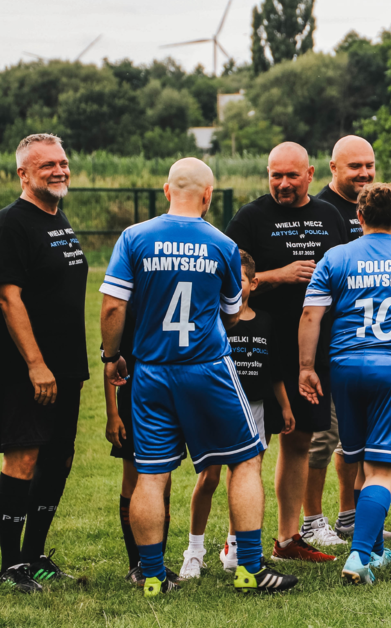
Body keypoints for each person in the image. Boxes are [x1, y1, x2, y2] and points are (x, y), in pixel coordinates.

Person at [99, 157, 297, 595]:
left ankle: (153, 576)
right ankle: (249, 569)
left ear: (167, 190)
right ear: (208, 196)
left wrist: (111, 356)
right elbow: (232, 314)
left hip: (151, 370)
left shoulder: (134, 237)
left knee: (151, 474)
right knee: (245, 460)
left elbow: (112, 306)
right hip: (207, 368)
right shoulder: (223, 245)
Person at [298, 182, 391, 585]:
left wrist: (306, 367)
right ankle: (360, 555)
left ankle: (376, 549)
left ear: (359, 216)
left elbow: (311, 315)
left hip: (346, 366)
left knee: (361, 457)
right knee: (383, 468)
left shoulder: (335, 257)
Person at [225, 142, 347, 562]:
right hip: (257, 349)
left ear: (310, 174)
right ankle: (235, 542)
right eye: (275, 175)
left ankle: (287, 539)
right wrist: (280, 275)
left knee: (300, 440)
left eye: (292, 175)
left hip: (312, 351)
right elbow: (228, 279)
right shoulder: (250, 218)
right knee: (249, 448)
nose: (283, 184)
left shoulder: (329, 215)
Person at [0, 134, 90, 592]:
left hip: (67, 366)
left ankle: (35, 557)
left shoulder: (58, 218)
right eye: (47, 165)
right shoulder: (12, 223)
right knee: (24, 456)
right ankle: (10, 564)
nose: (59, 171)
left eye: (63, 162)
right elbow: (8, 297)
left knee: (59, 459)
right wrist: (36, 364)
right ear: (23, 174)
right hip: (27, 369)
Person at [186, 252, 296, 578]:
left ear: (254, 283)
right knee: (210, 478)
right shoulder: (214, 320)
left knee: (246, 477)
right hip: (216, 407)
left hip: (256, 408)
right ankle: (194, 552)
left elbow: (274, 372)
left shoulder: (266, 321)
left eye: (241, 279)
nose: (234, 285)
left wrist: (285, 407)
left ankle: (234, 547)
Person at [301, 135, 375, 548]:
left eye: (369, 165)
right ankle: (311, 520)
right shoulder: (320, 212)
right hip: (329, 343)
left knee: (354, 437)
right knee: (322, 437)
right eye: (354, 166)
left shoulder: (375, 207)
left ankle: (349, 515)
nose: (364, 173)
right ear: (333, 168)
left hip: (364, 342)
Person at [106, 311, 177, 587]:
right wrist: (113, 414)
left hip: (167, 398)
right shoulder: (126, 308)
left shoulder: (165, 300)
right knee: (133, 479)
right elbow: (109, 363)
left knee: (164, 480)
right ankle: (136, 564)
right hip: (133, 401)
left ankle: (156, 561)